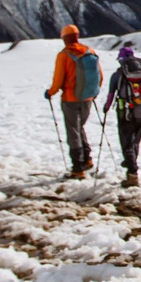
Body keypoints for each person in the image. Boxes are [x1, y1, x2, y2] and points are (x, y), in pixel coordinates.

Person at [45, 24, 99, 179]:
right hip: (87, 98)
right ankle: (87, 159)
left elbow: (58, 79)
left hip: (70, 99)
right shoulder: (90, 52)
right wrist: (93, 93)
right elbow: (99, 75)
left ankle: (77, 168)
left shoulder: (64, 55)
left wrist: (51, 92)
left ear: (64, 38)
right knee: (80, 127)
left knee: (73, 131)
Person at [103, 42, 141, 188]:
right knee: (136, 140)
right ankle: (131, 162)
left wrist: (106, 108)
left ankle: (132, 172)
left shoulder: (118, 75)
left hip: (126, 112)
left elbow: (111, 94)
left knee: (126, 140)